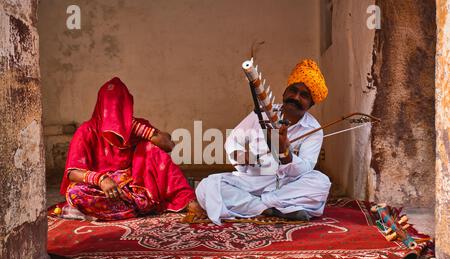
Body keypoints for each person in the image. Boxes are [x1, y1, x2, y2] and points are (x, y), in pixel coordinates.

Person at [196, 59, 331, 225]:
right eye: (293, 90)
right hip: (252, 181)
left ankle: (256, 205)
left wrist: (285, 154)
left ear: (311, 104)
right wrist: (240, 154)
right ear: (284, 92)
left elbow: (306, 168)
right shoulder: (261, 113)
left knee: (321, 183)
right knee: (205, 186)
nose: (296, 97)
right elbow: (233, 140)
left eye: (304, 96)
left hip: (287, 185)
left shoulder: (314, 129)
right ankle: (274, 208)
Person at [59, 77, 204, 220]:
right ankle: (137, 208)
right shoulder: (87, 130)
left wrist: (136, 128)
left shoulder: (137, 127)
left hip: (135, 190)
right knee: (75, 193)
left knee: (149, 148)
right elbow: (72, 172)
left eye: (119, 105)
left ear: (127, 105)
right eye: (109, 106)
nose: (113, 111)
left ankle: (114, 210)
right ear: (101, 105)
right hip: (102, 188)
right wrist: (101, 179)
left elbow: (168, 145)